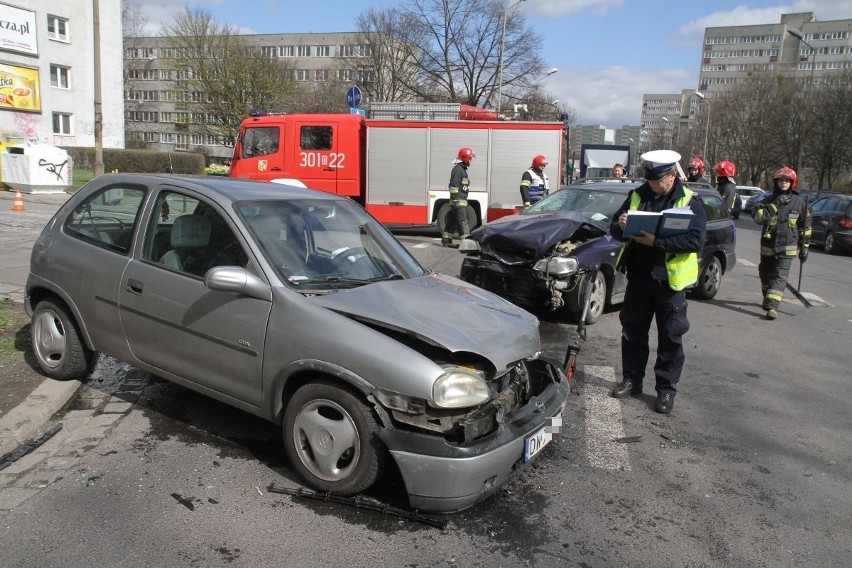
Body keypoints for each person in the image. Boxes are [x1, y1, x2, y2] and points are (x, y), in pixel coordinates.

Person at [608, 150, 707, 414]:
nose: (652, 184)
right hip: (639, 277)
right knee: (632, 333)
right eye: (650, 179)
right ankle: (632, 380)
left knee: (670, 339)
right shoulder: (638, 195)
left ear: (672, 175)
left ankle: (665, 390)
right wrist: (620, 224)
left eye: (658, 180)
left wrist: (657, 242)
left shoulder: (690, 200)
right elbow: (614, 230)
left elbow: (695, 241)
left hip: (669, 282)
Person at [752, 166, 811, 320]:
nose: (784, 183)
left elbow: (805, 227)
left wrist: (805, 248)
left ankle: (772, 307)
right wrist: (774, 205)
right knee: (765, 274)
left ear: (792, 183)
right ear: (776, 182)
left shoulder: (799, 202)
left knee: (779, 276)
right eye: (781, 180)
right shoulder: (768, 200)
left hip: (788, 246)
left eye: (787, 180)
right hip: (768, 246)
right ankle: (768, 297)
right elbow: (758, 218)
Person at [442, 147, 475, 247]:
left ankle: (446, 240)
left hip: (459, 201)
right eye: (469, 158)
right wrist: (456, 200)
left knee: (452, 221)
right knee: (463, 221)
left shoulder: (462, 170)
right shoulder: (457, 170)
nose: (470, 161)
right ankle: (467, 244)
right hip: (458, 201)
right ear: (464, 158)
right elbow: (454, 187)